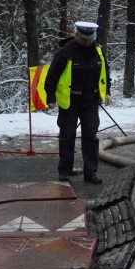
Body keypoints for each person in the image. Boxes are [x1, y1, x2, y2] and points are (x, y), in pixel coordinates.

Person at [44, 21, 112, 184]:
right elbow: (51, 76)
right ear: (76, 35)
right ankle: (65, 171)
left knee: (90, 136)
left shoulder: (98, 51)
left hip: (90, 100)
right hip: (70, 100)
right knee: (67, 135)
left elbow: (105, 72)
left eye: (90, 39)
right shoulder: (66, 52)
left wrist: (108, 92)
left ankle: (91, 172)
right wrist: (51, 98)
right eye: (84, 39)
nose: (88, 42)